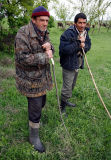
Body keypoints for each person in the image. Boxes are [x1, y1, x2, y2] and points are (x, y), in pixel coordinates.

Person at [15, 6, 54, 153]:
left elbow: (50, 49)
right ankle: (33, 137)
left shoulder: (44, 32)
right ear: (33, 19)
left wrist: (50, 46)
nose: (45, 23)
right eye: (42, 20)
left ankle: (34, 121)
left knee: (42, 102)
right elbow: (22, 58)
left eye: (47, 21)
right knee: (36, 107)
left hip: (43, 78)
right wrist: (45, 56)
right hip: (29, 80)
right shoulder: (22, 33)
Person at [59, 13, 91, 114]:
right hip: (68, 64)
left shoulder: (85, 32)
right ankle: (62, 107)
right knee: (67, 87)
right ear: (75, 23)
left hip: (77, 63)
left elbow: (88, 45)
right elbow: (64, 50)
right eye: (80, 23)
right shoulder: (67, 34)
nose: (82, 25)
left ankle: (66, 100)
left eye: (84, 23)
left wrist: (84, 46)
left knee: (72, 85)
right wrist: (78, 43)